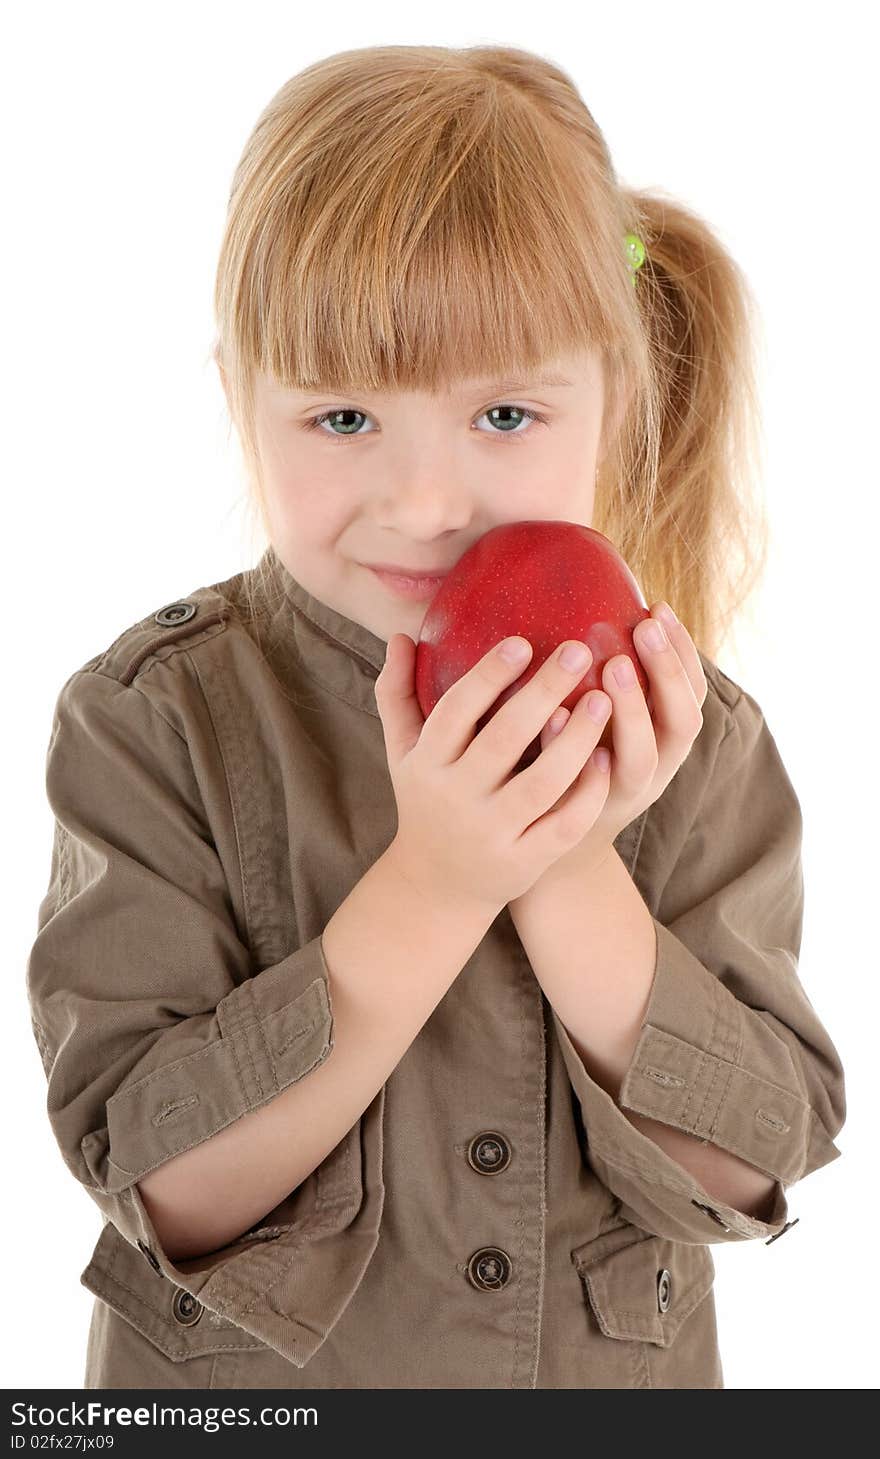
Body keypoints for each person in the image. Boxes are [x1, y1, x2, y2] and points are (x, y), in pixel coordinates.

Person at [26, 44, 845, 1391]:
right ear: (242, 404)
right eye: (343, 414)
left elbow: (752, 1166)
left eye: (506, 412)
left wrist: (570, 865)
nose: (423, 501)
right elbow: (164, 1188)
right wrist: (437, 883)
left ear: (614, 402)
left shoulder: (696, 739)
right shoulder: (151, 723)